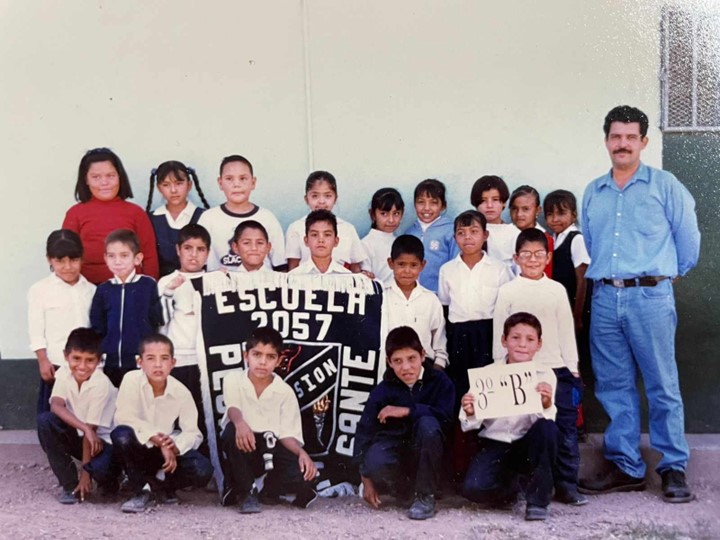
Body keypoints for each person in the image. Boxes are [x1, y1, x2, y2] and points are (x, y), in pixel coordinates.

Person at [579, 105, 700, 503]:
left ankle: (672, 468)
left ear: (644, 142)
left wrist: (662, 275)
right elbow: (595, 246)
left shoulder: (665, 186)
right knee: (614, 385)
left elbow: (688, 243)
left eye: (631, 137)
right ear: (606, 141)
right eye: (616, 136)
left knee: (662, 384)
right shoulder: (593, 191)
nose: (623, 144)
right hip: (606, 297)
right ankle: (627, 466)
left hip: (650, 296)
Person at [493, 228, 585, 506]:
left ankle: (567, 485)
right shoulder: (508, 291)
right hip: (520, 373)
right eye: (526, 254)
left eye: (538, 254)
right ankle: (528, 483)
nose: (532, 260)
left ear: (547, 258)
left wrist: (573, 367)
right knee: (528, 428)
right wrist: (501, 367)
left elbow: (566, 330)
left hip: (556, 368)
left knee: (565, 429)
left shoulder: (556, 290)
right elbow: (500, 333)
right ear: (515, 258)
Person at [460, 312, 558, 521]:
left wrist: (546, 403)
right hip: (494, 442)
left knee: (547, 428)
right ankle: (512, 490)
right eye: (515, 337)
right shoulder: (487, 374)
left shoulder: (545, 375)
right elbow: (468, 424)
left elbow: (548, 421)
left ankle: (538, 502)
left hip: (526, 444)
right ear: (504, 340)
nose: (522, 344)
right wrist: (470, 411)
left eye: (530, 339)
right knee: (473, 489)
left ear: (539, 344)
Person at [354, 326, 455, 520]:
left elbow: (447, 418)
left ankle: (425, 496)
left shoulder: (440, 382)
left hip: (428, 453)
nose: (406, 367)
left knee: (428, 424)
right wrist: (365, 478)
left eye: (411, 359)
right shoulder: (382, 391)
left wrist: (407, 411)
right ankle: (404, 492)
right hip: (398, 454)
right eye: (397, 361)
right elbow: (364, 431)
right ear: (388, 362)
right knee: (374, 460)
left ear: (423, 355)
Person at [220, 327, 318, 513]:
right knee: (231, 431)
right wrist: (240, 424)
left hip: (270, 451)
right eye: (257, 354)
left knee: (303, 473)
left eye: (270, 357)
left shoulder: (284, 392)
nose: (262, 362)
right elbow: (233, 408)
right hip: (244, 448)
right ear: (246, 355)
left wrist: (302, 453)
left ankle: (269, 490)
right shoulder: (233, 379)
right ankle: (246, 491)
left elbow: (286, 435)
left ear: (279, 360)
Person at [112, 334, 213, 513]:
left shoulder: (181, 392)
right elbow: (124, 416)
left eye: (164, 359)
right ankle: (141, 491)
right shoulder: (131, 380)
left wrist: (173, 446)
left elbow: (193, 433)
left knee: (202, 469)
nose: (158, 365)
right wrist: (156, 438)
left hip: (165, 455)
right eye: (150, 359)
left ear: (173, 363)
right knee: (121, 435)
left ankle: (163, 486)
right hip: (140, 447)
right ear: (139, 362)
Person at [37, 328, 120, 504]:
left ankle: (110, 482)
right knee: (45, 421)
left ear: (99, 360)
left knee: (101, 469)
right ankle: (69, 485)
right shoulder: (63, 374)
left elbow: (92, 430)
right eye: (76, 359)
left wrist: (86, 473)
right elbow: (56, 405)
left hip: (105, 443)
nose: (82, 366)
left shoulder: (100, 384)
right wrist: (84, 429)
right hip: (85, 435)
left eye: (90, 360)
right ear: (66, 356)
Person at [438, 210, 512, 401]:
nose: (467, 237)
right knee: (461, 381)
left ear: (485, 235)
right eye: (461, 233)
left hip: (488, 332)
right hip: (458, 333)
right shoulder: (447, 270)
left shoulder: (498, 269)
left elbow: (507, 306)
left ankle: (485, 428)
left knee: (488, 382)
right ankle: (462, 428)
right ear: (455, 238)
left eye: (474, 231)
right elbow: (445, 304)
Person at [63, 147, 158, 284]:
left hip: (129, 289)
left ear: (119, 176)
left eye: (110, 176)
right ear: (86, 180)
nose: (104, 182)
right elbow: (65, 255)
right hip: (87, 291)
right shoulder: (75, 214)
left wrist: (149, 291)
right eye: (96, 177)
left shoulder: (136, 213)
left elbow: (149, 258)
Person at [28, 230, 96, 414]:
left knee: (85, 414)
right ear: (49, 259)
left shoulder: (91, 290)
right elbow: (36, 329)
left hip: (86, 366)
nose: (67, 267)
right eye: (60, 261)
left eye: (73, 260)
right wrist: (43, 360)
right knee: (54, 415)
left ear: (82, 258)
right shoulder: (39, 290)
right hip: (56, 364)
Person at [90, 229, 164, 387]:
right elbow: (97, 326)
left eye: (124, 255)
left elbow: (156, 321)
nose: (117, 261)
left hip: (140, 362)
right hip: (110, 363)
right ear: (105, 258)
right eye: (111, 256)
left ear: (137, 258)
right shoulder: (103, 289)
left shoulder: (147, 285)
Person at [158, 224, 211, 430]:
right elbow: (160, 321)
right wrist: (170, 292)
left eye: (200, 249)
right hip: (178, 359)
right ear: (178, 249)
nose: (193, 255)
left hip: (205, 361)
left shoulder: (215, 280)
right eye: (188, 248)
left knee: (203, 415)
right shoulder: (166, 282)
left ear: (208, 253)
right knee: (177, 414)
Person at [198, 154, 285, 272]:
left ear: (253, 182)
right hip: (220, 287)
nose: (236, 184)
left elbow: (280, 265)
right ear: (220, 183)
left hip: (262, 286)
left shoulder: (267, 218)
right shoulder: (208, 219)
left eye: (243, 178)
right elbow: (199, 263)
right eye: (229, 179)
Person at [384, 235, 448, 369]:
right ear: (391, 263)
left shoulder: (430, 300)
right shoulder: (381, 297)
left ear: (422, 265)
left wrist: (436, 374)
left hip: (425, 369)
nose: (407, 271)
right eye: (401, 264)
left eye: (413, 265)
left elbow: (440, 346)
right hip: (389, 368)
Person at [286, 170, 368, 272]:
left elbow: (355, 267)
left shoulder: (348, 229)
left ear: (335, 198)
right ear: (306, 199)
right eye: (315, 196)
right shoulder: (296, 228)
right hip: (306, 285)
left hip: (341, 285)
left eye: (328, 196)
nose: (321, 201)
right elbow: (293, 268)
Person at [146, 161, 210, 277]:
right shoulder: (151, 219)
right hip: (162, 286)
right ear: (159, 188)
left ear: (189, 185)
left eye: (179, 183)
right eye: (166, 185)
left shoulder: (204, 216)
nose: (173, 190)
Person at [543, 190, 591, 330]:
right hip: (561, 307)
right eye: (550, 214)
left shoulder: (576, 239)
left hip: (574, 309)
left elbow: (583, 280)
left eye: (561, 213)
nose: (555, 219)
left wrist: (577, 316)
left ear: (574, 215)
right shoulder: (555, 238)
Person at [405, 179, 459, 293]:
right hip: (412, 294)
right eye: (421, 202)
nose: (426, 208)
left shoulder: (450, 231)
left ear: (443, 206)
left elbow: (456, 265)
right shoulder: (409, 232)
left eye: (433, 202)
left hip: (439, 294)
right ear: (414, 204)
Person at [470, 175, 519, 270]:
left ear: (504, 202)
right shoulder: (468, 232)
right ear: (475, 204)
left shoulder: (513, 233)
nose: (489, 205)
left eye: (495, 200)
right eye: (483, 201)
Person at [362, 187, 405, 284]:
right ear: (372, 214)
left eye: (396, 213)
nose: (391, 220)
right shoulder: (366, 244)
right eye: (384, 214)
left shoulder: (400, 242)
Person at [288, 210, 352, 275]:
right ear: (306, 240)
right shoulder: (295, 275)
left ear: (336, 241)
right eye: (314, 235)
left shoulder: (347, 276)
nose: (321, 240)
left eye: (327, 235)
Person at [509, 185, 553, 277]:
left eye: (525, 209)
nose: (519, 214)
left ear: (537, 210)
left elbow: (546, 275)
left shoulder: (545, 239)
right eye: (514, 208)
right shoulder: (505, 233)